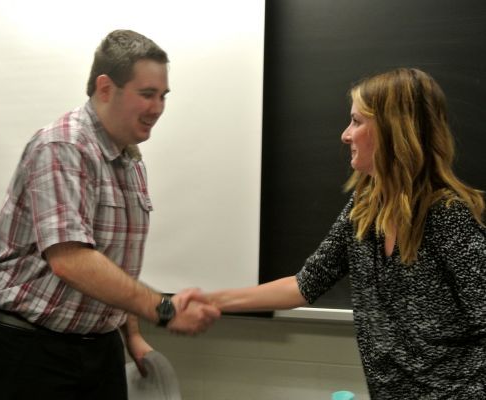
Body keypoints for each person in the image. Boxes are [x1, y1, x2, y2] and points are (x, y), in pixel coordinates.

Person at [0, 29, 220, 400]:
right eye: (147, 94)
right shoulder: (63, 146)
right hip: (22, 349)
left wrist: (132, 335)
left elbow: (111, 263)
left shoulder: (129, 159)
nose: (158, 108)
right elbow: (72, 260)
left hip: (96, 349)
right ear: (106, 88)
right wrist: (164, 309)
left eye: (163, 96)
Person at [203, 68, 485, 398]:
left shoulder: (447, 215)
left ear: (392, 130)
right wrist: (211, 301)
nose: (345, 135)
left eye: (356, 121)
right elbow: (304, 285)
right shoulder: (364, 207)